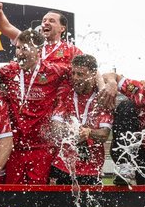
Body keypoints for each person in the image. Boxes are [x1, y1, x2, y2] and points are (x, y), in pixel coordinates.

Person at [0, 28, 71, 185]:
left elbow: (85, 71)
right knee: (13, 196)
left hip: (42, 148)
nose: (19, 53)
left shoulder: (53, 70)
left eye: (24, 48)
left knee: (37, 197)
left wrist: (108, 83)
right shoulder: (9, 70)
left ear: (38, 50)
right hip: (15, 148)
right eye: (17, 48)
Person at [48, 54, 112, 186]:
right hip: (63, 167)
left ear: (93, 74)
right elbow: (55, 127)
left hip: (91, 170)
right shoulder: (66, 94)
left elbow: (104, 134)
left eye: (80, 74)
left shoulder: (102, 99)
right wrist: (72, 131)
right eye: (74, 73)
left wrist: (89, 133)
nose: (75, 78)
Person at [0, 2, 81, 69]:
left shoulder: (71, 50)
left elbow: (87, 71)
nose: (46, 23)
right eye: (44, 21)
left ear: (62, 28)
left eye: (51, 21)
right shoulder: (30, 41)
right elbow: (5, 27)